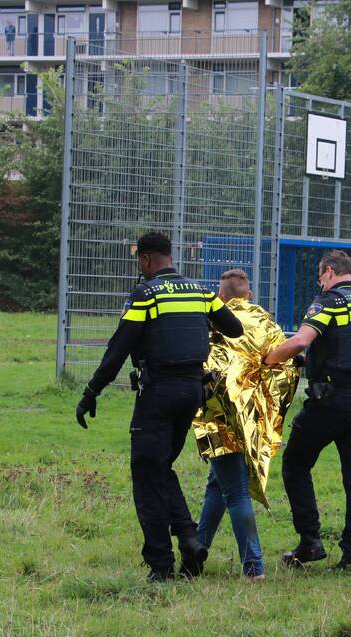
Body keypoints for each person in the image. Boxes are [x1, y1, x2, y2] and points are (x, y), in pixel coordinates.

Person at [75, 232, 244, 582]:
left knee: (146, 475)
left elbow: (118, 349)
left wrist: (92, 391)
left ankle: (161, 565)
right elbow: (234, 328)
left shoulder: (145, 294)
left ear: (146, 259)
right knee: (160, 467)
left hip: (158, 393)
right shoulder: (200, 293)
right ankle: (189, 538)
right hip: (192, 392)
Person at [263, 249, 351, 571]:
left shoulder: (329, 300)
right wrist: (308, 362)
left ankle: (310, 541)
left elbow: (301, 340)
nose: (320, 283)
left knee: (295, 464)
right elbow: (344, 351)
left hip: (332, 401)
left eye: (320, 277)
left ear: (329, 271)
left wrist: (267, 360)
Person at [193, 269, 299, 580]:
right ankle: (196, 552)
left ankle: (254, 567)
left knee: (236, 491)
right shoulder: (265, 321)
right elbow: (286, 363)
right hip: (252, 416)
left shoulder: (212, 319)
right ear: (249, 295)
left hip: (219, 415)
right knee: (218, 486)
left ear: (220, 296)